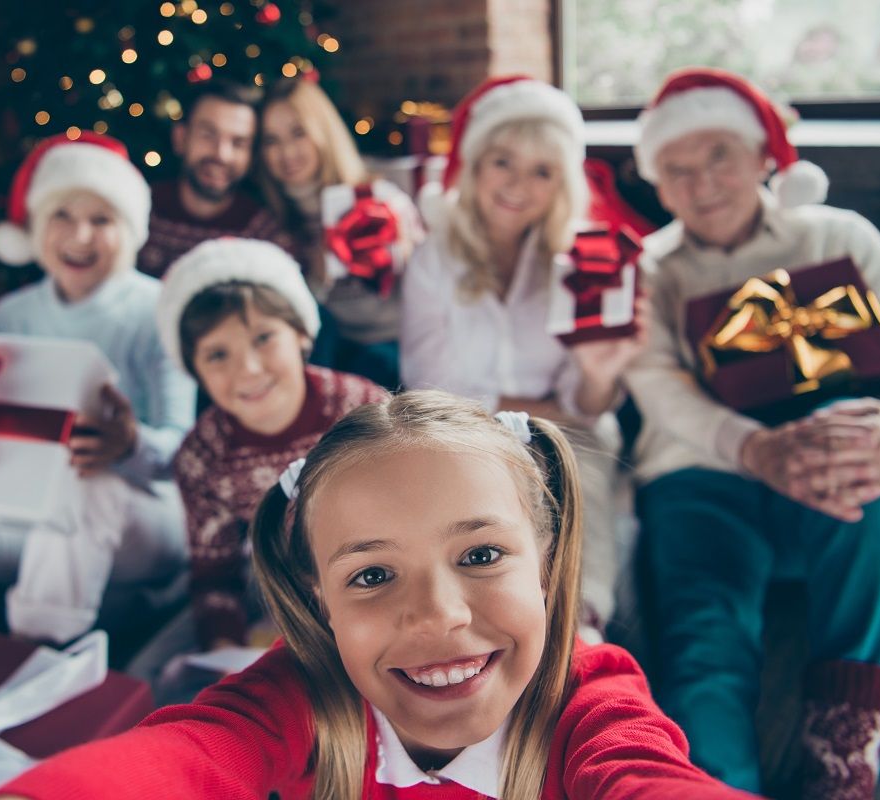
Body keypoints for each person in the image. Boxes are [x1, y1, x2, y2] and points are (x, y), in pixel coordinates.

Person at [0, 391, 757, 799]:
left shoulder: (593, 698)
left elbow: (646, 778)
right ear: (320, 600)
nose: (438, 615)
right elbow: (193, 754)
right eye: (371, 575)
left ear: (549, 568)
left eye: (482, 554)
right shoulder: (302, 693)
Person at [626, 67, 880, 799]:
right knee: (705, 633)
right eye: (677, 169)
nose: (701, 184)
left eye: (719, 157)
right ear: (658, 186)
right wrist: (752, 447)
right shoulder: (653, 269)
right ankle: (719, 782)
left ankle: (845, 747)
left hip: (832, 445)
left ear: (765, 154)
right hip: (702, 472)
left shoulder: (837, 233)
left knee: (868, 485)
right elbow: (657, 383)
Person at [0, 132, 195, 655]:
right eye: (62, 216)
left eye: (101, 219)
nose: (80, 236)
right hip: (33, 511)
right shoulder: (11, 314)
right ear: (34, 229)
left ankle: (37, 655)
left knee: (88, 485)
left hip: (142, 514)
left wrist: (130, 446)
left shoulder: (160, 310)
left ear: (131, 231)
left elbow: (185, 456)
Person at [401, 76, 646, 643]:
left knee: (587, 453)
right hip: (452, 432)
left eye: (542, 171)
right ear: (476, 165)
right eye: (503, 162)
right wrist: (542, 408)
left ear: (562, 182)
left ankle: (584, 626)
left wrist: (598, 372)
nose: (518, 185)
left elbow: (586, 405)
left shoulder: (579, 264)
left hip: (562, 433)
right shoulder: (435, 260)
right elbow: (429, 384)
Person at [126, 237, 387, 701]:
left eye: (264, 338)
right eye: (217, 355)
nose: (247, 369)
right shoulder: (202, 456)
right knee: (150, 677)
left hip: (378, 570)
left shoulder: (361, 410)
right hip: (272, 575)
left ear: (302, 335)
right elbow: (214, 574)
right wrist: (223, 646)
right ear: (195, 371)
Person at [256, 77, 424, 389]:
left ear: (323, 134)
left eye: (298, 133)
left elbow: (427, 286)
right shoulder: (270, 220)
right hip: (327, 346)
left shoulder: (378, 201)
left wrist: (401, 248)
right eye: (271, 140)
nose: (286, 152)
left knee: (373, 364)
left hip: (390, 342)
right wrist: (317, 279)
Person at [136, 79, 293, 279]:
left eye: (238, 143)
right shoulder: (140, 208)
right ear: (181, 138)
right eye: (208, 134)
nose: (221, 155)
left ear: (251, 156)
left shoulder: (265, 235)